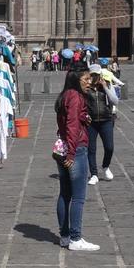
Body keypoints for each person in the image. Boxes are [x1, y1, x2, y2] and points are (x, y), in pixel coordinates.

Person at [54, 68, 98, 252]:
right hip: (76, 149)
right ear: (75, 80)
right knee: (78, 197)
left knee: (65, 193)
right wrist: (72, 154)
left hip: (63, 147)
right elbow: (72, 126)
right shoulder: (75, 97)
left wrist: (83, 116)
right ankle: (75, 238)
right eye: (86, 79)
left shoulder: (65, 95)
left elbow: (69, 119)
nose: (89, 82)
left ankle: (65, 237)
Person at [84, 67, 119, 185]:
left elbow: (115, 101)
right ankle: (94, 174)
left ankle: (105, 166)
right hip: (91, 122)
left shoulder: (107, 85)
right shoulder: (86, 88)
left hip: (106, 120)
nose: (95, 77)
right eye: (92, 75)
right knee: (91, 149)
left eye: (97, 75)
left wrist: (105, 87)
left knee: (109, 147)